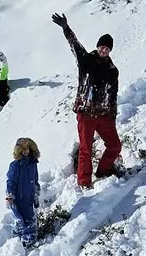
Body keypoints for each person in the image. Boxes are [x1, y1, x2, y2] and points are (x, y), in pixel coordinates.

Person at [50, 13, 119, 190]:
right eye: (102, 47)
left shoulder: (112, 70)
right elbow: (75, 44)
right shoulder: (86, 60)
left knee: (115, 146)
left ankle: (103, 171)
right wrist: (66, 28)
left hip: (104, 115)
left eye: (107, 49)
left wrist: (112, 115)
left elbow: (113, 94)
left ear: (110, 50)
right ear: (98, 46)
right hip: (86, 113)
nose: (104, 50)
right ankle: (84, 182)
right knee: (86, 149)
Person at [6, 137, 41, 247]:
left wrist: (36, 193)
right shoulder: (16, 165)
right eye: (23, 149)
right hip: (19, 198)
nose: (25, 151)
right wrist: (10, 195)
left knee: (29, 219)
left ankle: (27, 241)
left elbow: (35, 179)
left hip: (29, 198)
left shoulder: (33, 164)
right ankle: (23, 242)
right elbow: (11, 181)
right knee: (23, 220)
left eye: (27, 148)